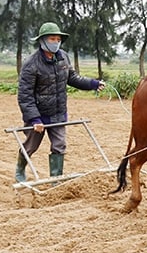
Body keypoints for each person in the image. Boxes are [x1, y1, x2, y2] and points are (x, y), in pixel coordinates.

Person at [15, 22, 105, 182]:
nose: (55, 42)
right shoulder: (31, 64)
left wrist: (93, 84)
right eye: (52, 38)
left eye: (58, 39)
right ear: (42, 40)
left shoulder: (63, 56)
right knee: (31, 146)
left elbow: (72, 78)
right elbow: (25, 95)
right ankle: (20, 170)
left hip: (58, 112)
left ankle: (55, 180)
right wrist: (34, 119)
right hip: (38, 116)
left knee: (59, 145)